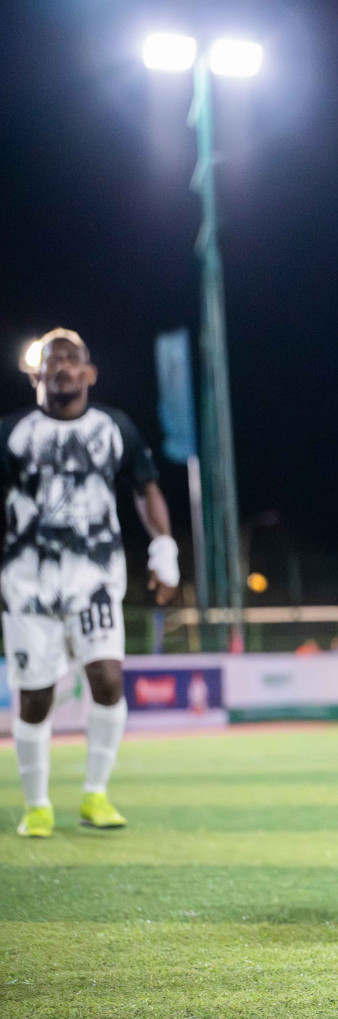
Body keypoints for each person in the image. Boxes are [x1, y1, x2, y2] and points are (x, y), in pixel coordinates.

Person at [3, 328, 179, 838]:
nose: (62, 366)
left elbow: (147, 489)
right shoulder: (11, 433)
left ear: (89, 373)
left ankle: (95, 794)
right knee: (36, 697)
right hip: (26, 582)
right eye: (51, 359)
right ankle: (37, 805)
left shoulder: (114, 427)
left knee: (107, 677)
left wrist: (163, 546)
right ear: (36, 373)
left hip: (95, 577)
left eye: (72, 359)